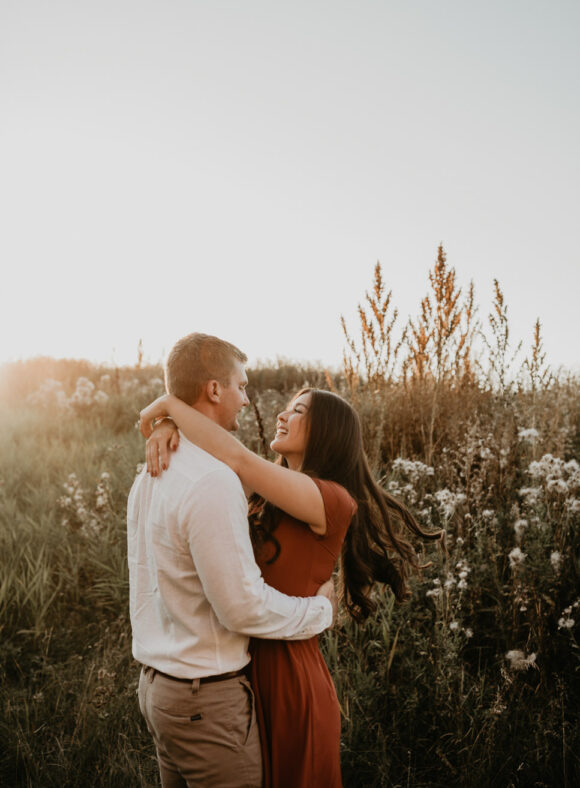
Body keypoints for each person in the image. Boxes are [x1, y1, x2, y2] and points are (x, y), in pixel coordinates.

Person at [141, 380, 445, 788]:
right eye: (287, 408)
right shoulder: (264, 498)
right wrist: (165, 426)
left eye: (298, 411)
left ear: (327, 433)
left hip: (288, 679)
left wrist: (168, 405)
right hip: (241, 672)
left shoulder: (332, 499)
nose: (282, 416)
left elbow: (235, 455)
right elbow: (211, 457)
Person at [127, 333, 337, 788]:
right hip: (205, 703)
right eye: (241, 386)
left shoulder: (151, 472)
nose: (248, 399)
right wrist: (321, 611)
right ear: (214, 390)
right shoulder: (214, 480)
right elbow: (241, 606)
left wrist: (169, 420)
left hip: (158, 691)